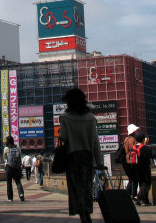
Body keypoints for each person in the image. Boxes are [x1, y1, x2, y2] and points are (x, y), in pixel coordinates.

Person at [58, 87, 104, 223]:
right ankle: (86, 212)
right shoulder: (91, 118)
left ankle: (82, 215)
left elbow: (63, 137)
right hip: (87, 158)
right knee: (87, 187)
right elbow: (96, 143)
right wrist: (100, 162)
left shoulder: (65, 117)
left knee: (75, 189)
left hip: (72, 158)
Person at [133, 133, 156, 206]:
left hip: (136, 169)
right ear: (143, 139)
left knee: (141, 183)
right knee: (147, 184)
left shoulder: (133, 147)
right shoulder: (145, 148)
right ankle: (138, 197)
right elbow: (153, 155)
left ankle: (145, 201)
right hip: (145, 169)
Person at [3, 135, 25, 202]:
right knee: (18, 181)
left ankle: (10, 198)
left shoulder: (6, 149)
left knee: (9, 182)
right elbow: (20, 156)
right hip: (17, 167)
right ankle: (21, 193)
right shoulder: (17, 147)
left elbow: (4, 157)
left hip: (9, 167)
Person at [122, 123, 140, 203]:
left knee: (131, 179)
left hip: (126, 161)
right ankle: (133, 196)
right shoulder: (132, 140)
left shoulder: (126, 139)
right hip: (131, 161)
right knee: (134, 179)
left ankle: (126, 194)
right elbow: (135, 150)